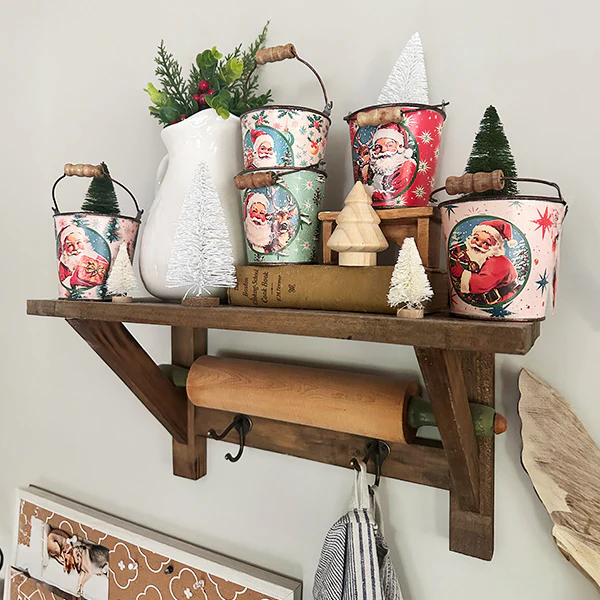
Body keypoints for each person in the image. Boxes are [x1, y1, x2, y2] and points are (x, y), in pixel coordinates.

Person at [449, 219, 519, 305]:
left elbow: (482, 283)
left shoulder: (498, 262)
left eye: (486, 243)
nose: (478, 244)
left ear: (496, 247)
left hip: (503, 301)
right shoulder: (479, 255)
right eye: (476, 238)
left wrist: (461, 273)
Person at [369, 123, 417, 206]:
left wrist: (369, 192)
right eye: (378, 147)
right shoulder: (378, 168)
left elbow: (394, 197)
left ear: (400, 147)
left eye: (389, 145)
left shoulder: (407, 166)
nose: (383, 150)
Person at [58, 225, 109, 289]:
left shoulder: (94, 256)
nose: (76, 248)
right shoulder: (64, 263)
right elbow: (63, 283)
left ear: (84, 241)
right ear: (64, 247)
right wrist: (72, 281)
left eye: (78, 243)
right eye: (70, 245)